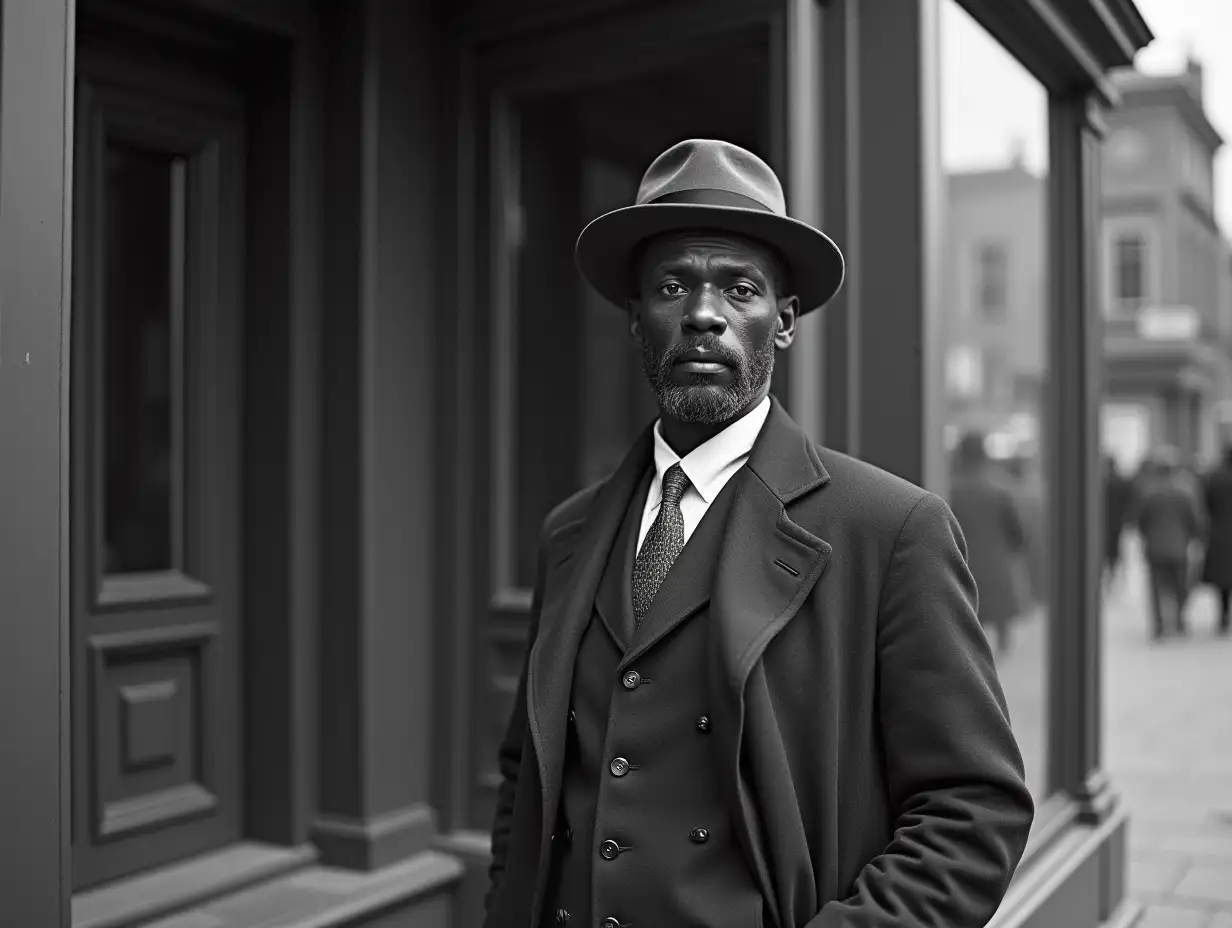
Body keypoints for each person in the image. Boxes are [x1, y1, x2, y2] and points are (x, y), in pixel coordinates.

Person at [482, 139, 1033, 928]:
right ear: (637, 318)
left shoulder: (890, 529)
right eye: (673, 285)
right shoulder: (569, 533)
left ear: (784, 323)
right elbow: (523, 783)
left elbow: (974, 811)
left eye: (739, 288)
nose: (704, 314)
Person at [947, 432, 1029, 656]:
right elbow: (1016, 533)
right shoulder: (1000, 489)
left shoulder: (950, 490)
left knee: (969, 614)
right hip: (996, 561)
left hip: (963, 560)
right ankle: (1001, 653)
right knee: (1000, 616)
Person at [1132, 445, 1207, 639]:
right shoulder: (1184, 491)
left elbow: (1140, 520)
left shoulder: (1148, 491)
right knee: (1180, 585)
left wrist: (1146, 535)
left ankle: (1159, 625)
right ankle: (1179, 619)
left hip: (1155, 546)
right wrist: (1195, 537)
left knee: (1157, 587)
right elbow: (1193, 519)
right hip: (1179, 546)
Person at [1200, 444, 1232, 635]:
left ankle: (1223, 615)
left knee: (1223, 580)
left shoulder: (1215, 477)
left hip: (1220, 532)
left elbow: (1206, 504)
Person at [1102, 453, 1132, 594]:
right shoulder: (1120, 482)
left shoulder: (1103, 482)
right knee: (1114, 549)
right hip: (1117, 521)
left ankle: (1109, 575)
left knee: (1107, 549)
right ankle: (1112, 575)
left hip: (1106, 520)